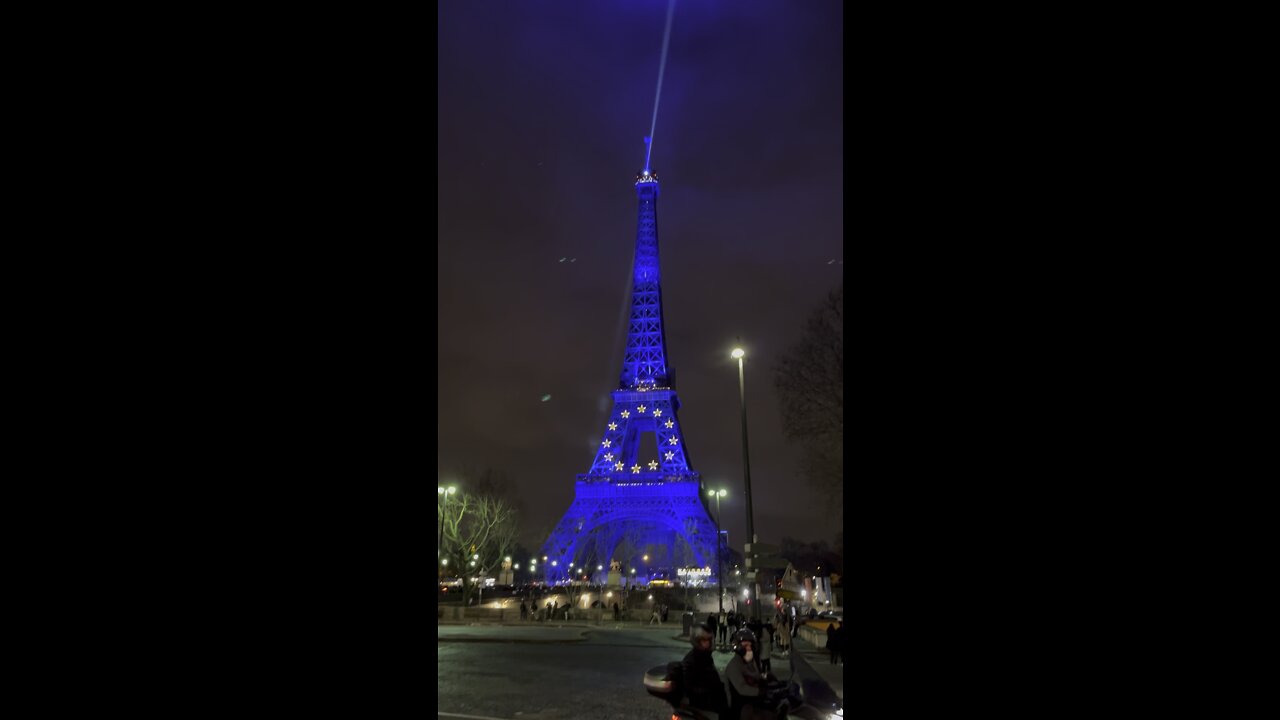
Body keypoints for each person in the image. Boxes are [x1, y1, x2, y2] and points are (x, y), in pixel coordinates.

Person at [724, 629, 773, 720]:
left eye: (750, 645)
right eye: (745, 645)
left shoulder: (750, 661)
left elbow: (756, 676)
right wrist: (761, 692)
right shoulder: (734, 665)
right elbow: (742, 688)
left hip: (751, 701)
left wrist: (766, 678)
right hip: (739, 707)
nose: (749, 648)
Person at [681, 624, 728, 716]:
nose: (708, 643)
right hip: (703, 703)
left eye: (709, 640)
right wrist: (710, 690)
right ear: (697, 641)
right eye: (704, 640)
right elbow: (688, 687)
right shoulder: (691, 660)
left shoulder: (706, 655)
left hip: (715, 699)